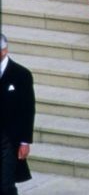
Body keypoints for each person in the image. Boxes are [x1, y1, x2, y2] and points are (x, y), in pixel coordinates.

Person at [0, 33, 35, 195]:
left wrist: (25, 141)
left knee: (5, 183)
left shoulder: (21, 75)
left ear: (4, 51)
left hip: (9, 138)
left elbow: (28, 109)